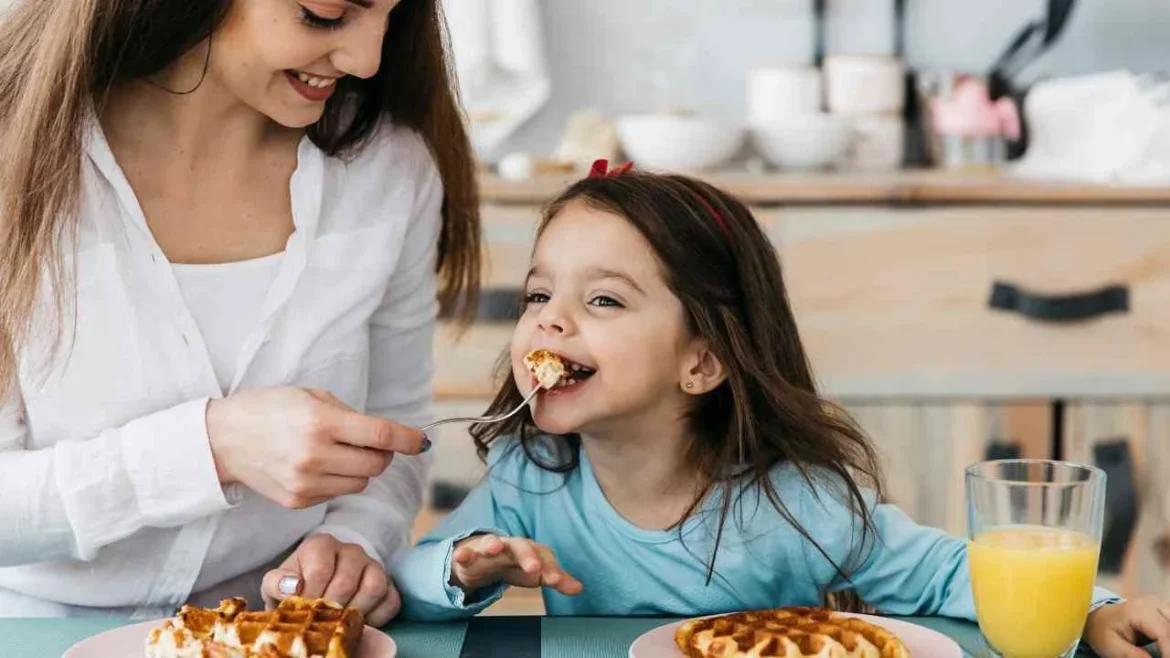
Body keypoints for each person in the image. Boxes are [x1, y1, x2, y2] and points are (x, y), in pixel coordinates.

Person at [392, 161, 1170, 657]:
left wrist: (1098, 613)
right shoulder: (534, 478)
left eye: (602, 299)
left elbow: (947, 574)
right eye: (538, 293)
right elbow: (416, 591)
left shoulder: (794, 501)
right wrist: (466, 567)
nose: (549, 322)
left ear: (703, 362)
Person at [0, 0, 480, 626]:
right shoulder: (18, 156)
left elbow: (397, 425)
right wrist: (211, 447)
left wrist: (357, 541)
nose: (368, 60)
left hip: (278, 631)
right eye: (324, 15)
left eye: (393, 16)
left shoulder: (389, 168)